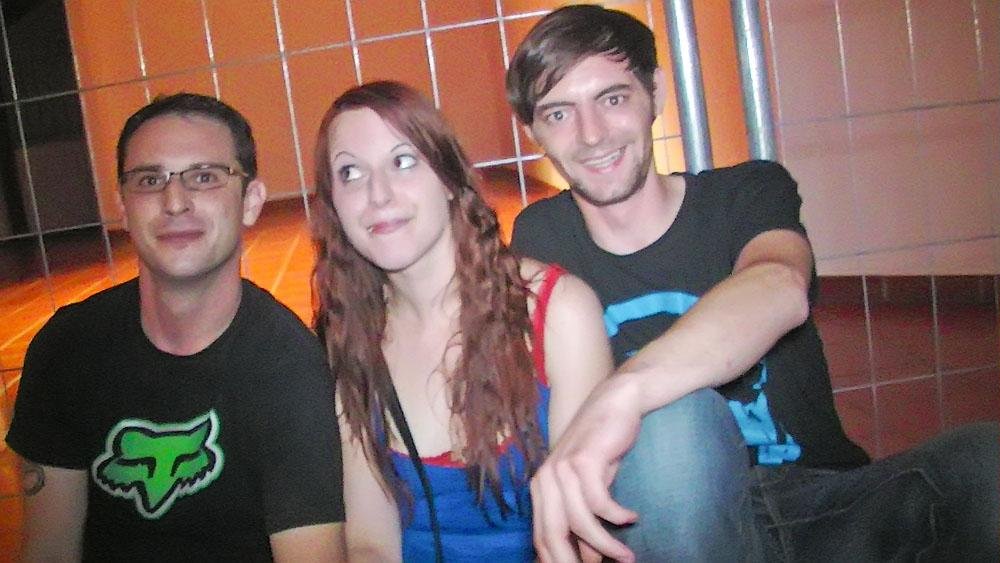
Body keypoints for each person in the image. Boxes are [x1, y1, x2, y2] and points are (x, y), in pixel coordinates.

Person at [505, 5, 1000, 562]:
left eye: (613, 99)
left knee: (984, 462)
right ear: (533, 132)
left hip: (819, 501)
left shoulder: (745, 194)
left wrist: (625, 392)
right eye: (559, 113)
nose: (592, 134)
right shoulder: (542, 236)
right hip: (666, 515)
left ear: (656, 94)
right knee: (673, 427)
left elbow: (779, 285)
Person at [5, 93, 346, 561]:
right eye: (150, 180)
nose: (175, 202)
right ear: (123, 207)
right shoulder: (67, 350)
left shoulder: (290, 370)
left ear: (250, 202)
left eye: (204, 177)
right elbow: (49, 550)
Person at [311, 80, 612, 561]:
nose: (378, 194)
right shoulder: (348, 336)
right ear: (334, 206)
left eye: (402, 161)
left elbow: (580, 539)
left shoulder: (557, 312)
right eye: (350, 173)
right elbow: (371, 543)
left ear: (450, 179)